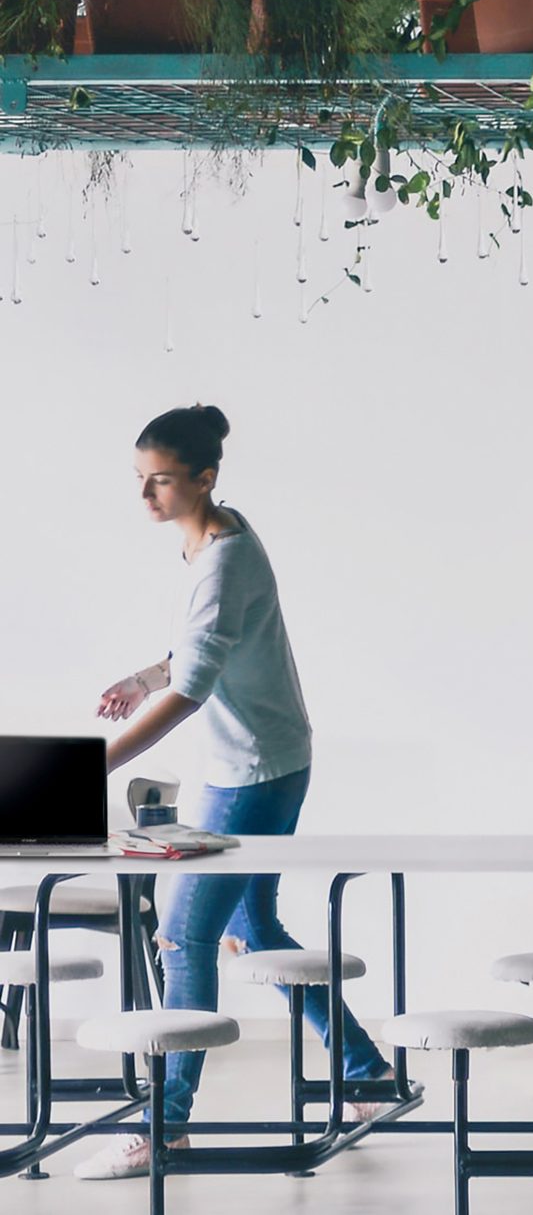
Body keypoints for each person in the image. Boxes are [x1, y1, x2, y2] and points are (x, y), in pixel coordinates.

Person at [73, 404, 391, 1180]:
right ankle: (366, 1072)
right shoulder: (213, 537)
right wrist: (142, 675)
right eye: (141, 480)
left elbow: (191, 688)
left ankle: (167, 1123)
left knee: (183, 935)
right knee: (253, 919)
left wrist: (97, 766)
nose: (146, 495)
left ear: (205, 478)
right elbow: (199, 647)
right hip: (264, 759)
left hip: (253, 770)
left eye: (162, 481)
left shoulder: (222, 557)